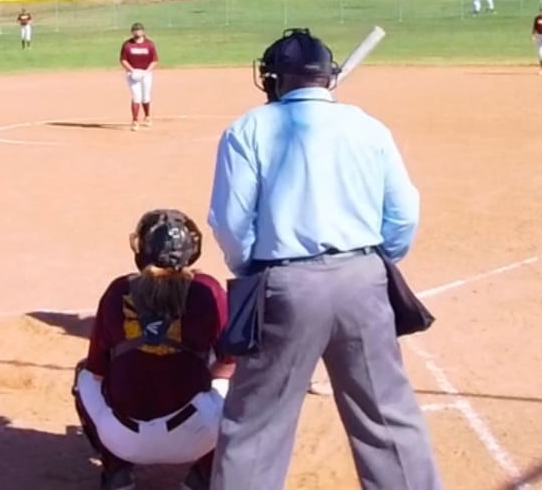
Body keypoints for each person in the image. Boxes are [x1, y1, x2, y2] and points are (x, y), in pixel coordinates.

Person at [206, 29, 438, 490]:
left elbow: (231, 224)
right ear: (328, 77)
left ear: (273, 79)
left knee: (256, 425)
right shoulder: (369, 127)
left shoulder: (248, 129)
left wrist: (254, 270)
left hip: (284, 283)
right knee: (388, 417)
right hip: (364, 278)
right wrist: (377, 262)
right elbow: (404, 212)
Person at [73, 209, 234, 490]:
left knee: (84, 373)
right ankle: (203, 475)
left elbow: (97, 370)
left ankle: (116, 471)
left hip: (122, 439)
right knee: (232, 374)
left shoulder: (118, 290)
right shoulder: (207, 289)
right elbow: (230, 361)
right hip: (197, 437)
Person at [120, 22, 158, 131]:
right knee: (136, 96)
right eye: (135, 30)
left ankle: (147, 116)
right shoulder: (127, 45)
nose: (137, 32)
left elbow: (154, 60)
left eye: (139, 30)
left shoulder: (149, 44)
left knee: (145, 96)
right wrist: (132, 70)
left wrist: (147, 71)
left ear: (143, 31)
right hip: (132, 74)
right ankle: (135, 121)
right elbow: (123, 60)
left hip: (146, 73)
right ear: (132, 32)